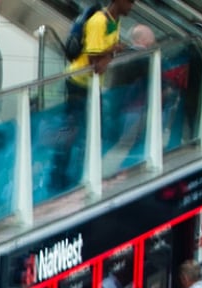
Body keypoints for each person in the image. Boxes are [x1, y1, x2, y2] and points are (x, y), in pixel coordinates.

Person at [52, 0, 133, 193]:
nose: (132, 6)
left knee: (89, 132)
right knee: (72, 132)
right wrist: (113, 51)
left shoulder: (115, 21)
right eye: (130, 2)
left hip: (92, 86)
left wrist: (110, 53)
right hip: (78, 83)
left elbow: (104, 57)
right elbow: (95, 61)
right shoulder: (99, 22)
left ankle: (77, 176)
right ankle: (59, 179)